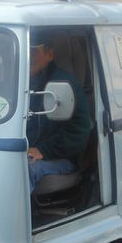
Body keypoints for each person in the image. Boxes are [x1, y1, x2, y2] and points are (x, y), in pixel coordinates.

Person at [26, 33, 92, 190]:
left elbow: (80, 130)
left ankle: (18, 215)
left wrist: (43, 150)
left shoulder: (64, 84)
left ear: (50, 55)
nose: (28, 57)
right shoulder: (18, 83)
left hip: (60, 158)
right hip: (23, 153)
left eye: (33, 52)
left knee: (24, 171)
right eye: (25, 51)